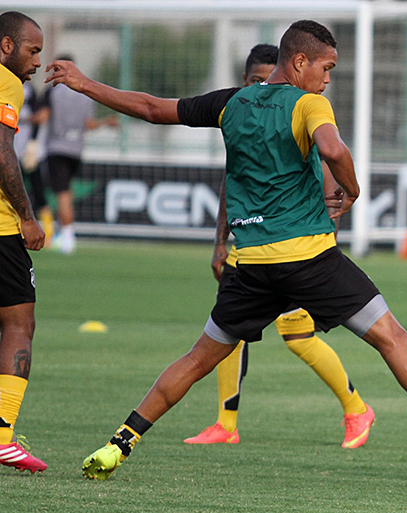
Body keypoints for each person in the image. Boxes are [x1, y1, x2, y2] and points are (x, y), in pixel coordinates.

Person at [48, 20, 407, 480]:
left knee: (199, 358)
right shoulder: (308, 105)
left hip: (252, 265)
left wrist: (84, 82)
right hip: (307, 259)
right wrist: (351, 189)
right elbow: (333, 149)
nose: (328, 79)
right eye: (327, 68)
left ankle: (119, 443)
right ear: (300, 62)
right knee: (392, 338)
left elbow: (154, 109)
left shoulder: (233, 102)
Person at [45, 44, 376, 449]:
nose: (263, 89)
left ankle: (355, 407)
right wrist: (221, 241)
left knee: (296, 334)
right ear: (246, 81)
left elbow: (328, 176)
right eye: (256, 81)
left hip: (295, 250)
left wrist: (326, 243)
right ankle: (226, 421)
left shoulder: (302, 113)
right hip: (252, 246)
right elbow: (227, 177)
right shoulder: (238, 112)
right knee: (226, 333)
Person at [0, 10, 47, 473]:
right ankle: (3, 436)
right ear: (6, 47)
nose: (37, 61)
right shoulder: (7, 82)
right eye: (33, 50)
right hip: (0, 229)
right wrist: (27, 216)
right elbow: (1, 151)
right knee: (18, 324)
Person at [35, 54, 117, 254]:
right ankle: (66, 234)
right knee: (66, 193)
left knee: (62, 194)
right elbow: (88, 124)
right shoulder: (83, 93)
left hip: (57, 148)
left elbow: (43, 116)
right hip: (76, 150)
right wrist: (106, 122)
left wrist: (24, 118)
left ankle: (67, 238)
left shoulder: (52, 91)